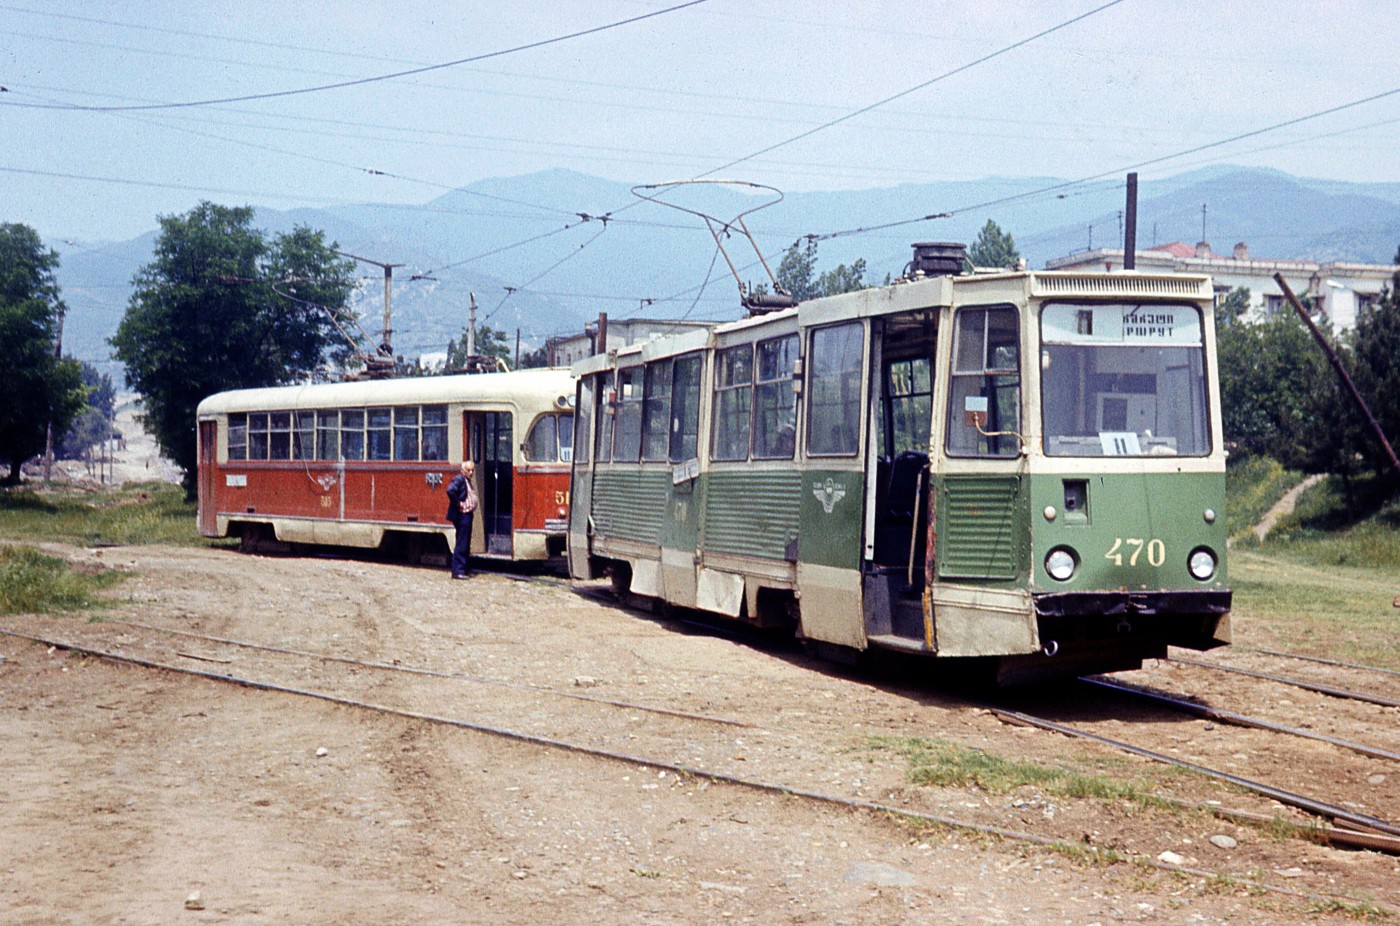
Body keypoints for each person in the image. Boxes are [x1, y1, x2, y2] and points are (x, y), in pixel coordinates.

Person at [444, 460, 478, 579]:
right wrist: (458, 503)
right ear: (462, 470)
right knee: (462, 542)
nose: (471, 472)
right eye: (468, 470)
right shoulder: (459, 479)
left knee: (465, 542)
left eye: (472, 470)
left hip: (467, 514)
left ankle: (463, 569)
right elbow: (450, 490)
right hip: (462, 515)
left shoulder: (466, 480)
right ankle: (458, 571)